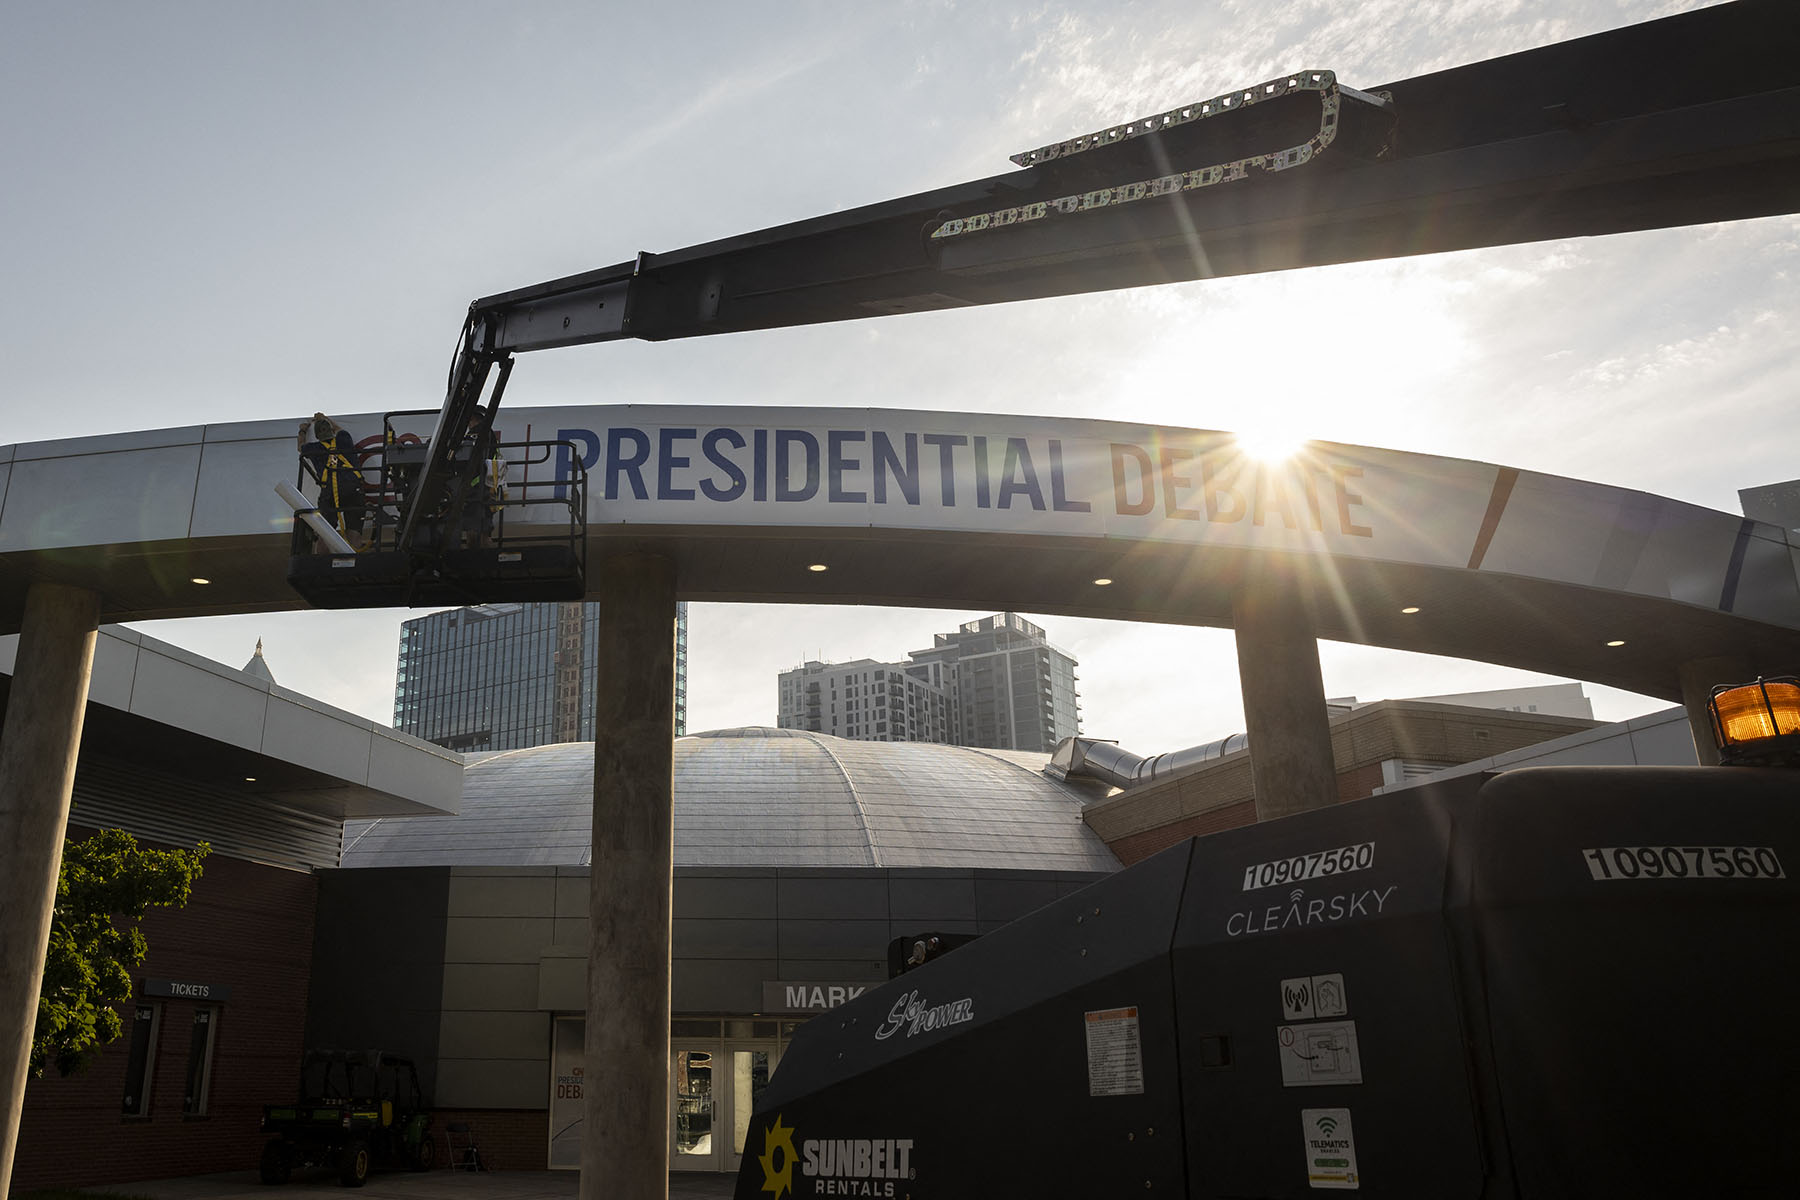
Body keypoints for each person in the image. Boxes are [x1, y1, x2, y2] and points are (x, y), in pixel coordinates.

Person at [297, 413, 369, 549]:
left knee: (325, 533)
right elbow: (339, 429)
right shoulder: (344, 439)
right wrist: (324, 418)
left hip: (329, 492)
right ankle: (353, 562)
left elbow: (300, 447)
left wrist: (303, 429)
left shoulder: (313, 448)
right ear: (331, 431)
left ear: (317, 436)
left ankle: (321, 565)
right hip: (353, 489)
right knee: (354, 532)